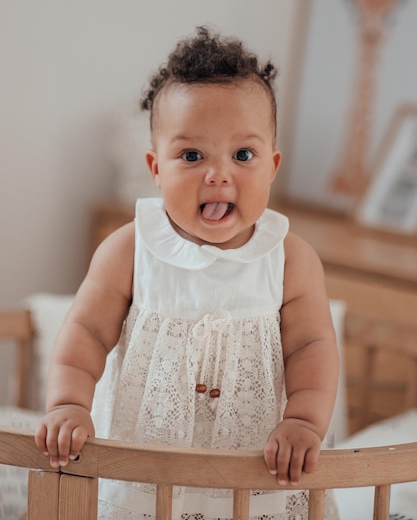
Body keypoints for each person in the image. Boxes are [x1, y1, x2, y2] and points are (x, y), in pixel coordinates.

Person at [35, 26, 339, 519]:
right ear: (156, 168)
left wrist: (304, 421)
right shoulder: (131, 249)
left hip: (256, 469)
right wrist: (69, 404)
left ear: (272, 166)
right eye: (192, 155)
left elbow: (311, 347)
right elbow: (87, 332)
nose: (218, 174)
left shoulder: (290, 259)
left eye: (243, 155)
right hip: (145, 466)